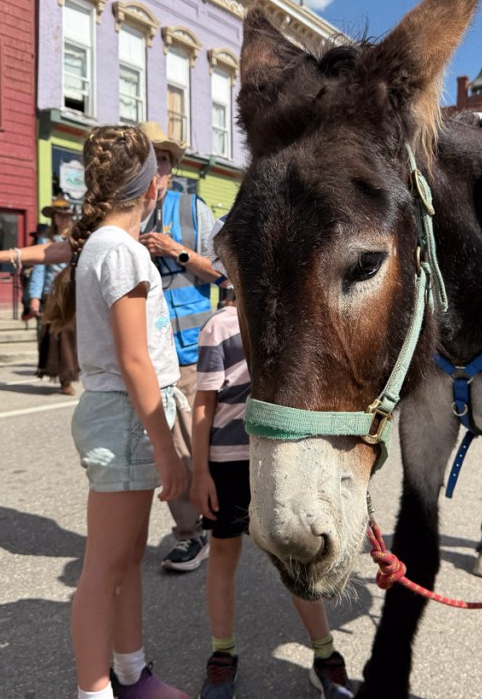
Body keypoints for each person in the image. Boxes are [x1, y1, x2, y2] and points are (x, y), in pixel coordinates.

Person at [42, 125, 188, 699]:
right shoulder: (120, 251)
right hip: (128, 417)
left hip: (124, 416)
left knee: (125, 562)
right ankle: (96, 689)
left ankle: (131, 674)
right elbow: (133, 360)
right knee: (105, 569)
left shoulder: (106, 246)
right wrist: (165, 445)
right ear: (153, 186)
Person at [191, 273, 354, 699]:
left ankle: (325, 653)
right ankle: (222, 653)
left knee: (298, 558)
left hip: (282, 463)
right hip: (228, 463)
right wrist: (199, 471)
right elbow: (203, 406)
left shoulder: (296, 321)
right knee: (223, 555)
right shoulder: (220, 327)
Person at [137, 120, 220, 574]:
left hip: (191, 350)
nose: (158, 167)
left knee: (197, 446)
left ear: (171, 168)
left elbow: (222, 274)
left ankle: (208, 526)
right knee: (166, 448)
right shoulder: (125, 215)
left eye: (164, 159)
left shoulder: (193, 209)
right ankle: (192, 532)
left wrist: (175, 249)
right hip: (146, 353)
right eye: (150, 158)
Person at [29, 196, 78, 395]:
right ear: (54, 218)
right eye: (59, 216)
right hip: (53, 295)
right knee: (59, 335)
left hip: (75, 293)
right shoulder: (45, 240)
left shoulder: (78, 238)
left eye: (66, 216)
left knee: (74, 335)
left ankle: (75, 372)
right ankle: (65, 379)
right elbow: (39, 270)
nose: (62, 219)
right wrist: (34, 297)